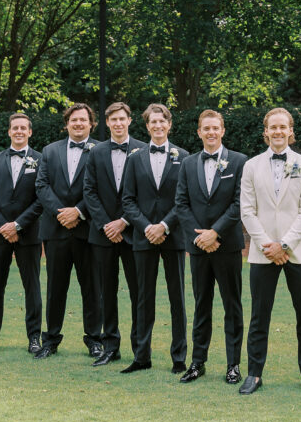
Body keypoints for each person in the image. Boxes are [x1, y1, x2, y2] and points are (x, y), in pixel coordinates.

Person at [239, 107, 301, 394]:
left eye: (282, 127)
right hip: (262, 252)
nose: (277, 131)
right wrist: (268, 246)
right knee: (259, 316)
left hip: (298, 251)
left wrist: (284, 245)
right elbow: (247, 211)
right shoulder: (251, 166)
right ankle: (254, 374)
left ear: (290, 131)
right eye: (272, 127)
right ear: (266, 131)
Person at [175, 109, 247, 384]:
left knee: (232, 305)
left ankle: (233, 364)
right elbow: (181, 203)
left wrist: (215, 232)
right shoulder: (188, 163)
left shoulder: (239, 162)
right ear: (199, 132)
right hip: (198, 248)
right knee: (201, 305)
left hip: (227, 246)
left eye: (215, 128)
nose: (211, 132)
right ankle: (197, 362)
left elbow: (240, 203)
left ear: (223, 130)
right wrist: (200, 237)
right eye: (206, 128)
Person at [120, 103, 189, 374]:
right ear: (146, 126)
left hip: (173, 236)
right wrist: (147, 227)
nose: (158, 126)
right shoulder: (134, 158)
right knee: (143, 298)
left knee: (177, 298)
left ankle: (179, 357)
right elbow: (128, 200)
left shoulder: (183, 157)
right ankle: (141, 357)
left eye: (162, 122)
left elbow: (183, 200)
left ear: (169, 125)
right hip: (142, 236)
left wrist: (164, 226)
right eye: (152, 122)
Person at [35, 102, 102, 358]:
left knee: (92, 287)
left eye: (83, 120)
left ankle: (94, 339)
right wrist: (61, 213)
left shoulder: (100, 151)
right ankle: (50, 340)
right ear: (67, 124)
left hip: (87, 230)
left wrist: (79, 211)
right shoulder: (49, 151)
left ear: (91, 124)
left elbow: (100, 188)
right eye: (73, 120)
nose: (78, 124)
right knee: (55, 287)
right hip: (56, 230)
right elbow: (41, 186)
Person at [83, 101, 145, 366]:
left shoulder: (143, 150)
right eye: (113, 120)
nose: (118, 124)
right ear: (107, 123)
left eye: (122, 119)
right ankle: (110, 346)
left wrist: (124, 222)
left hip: (133, 234)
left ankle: (140, 348)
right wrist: (107, 224)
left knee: (137, 292)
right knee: (106, 291)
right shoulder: (96, 152)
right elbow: (89, 191)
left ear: (129, 120)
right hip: (103, 234)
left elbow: (147, 194)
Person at [0, 112, 43, 354]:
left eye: (23, 128)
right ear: (9, 131)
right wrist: (4, 226)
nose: (18, 131)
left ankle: (34, 338)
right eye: (14, 127)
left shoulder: (41, 159)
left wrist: (18, 225)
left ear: (30, 132)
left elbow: (41, 200)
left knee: (32, 287)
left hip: (29, 235)